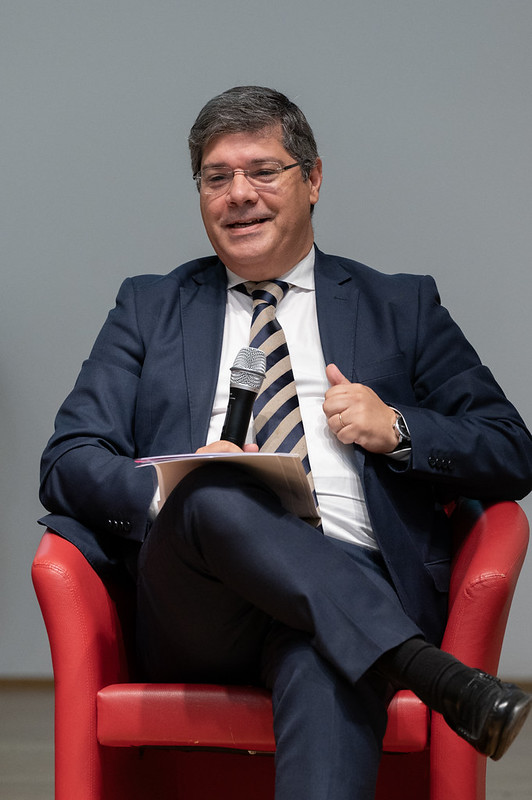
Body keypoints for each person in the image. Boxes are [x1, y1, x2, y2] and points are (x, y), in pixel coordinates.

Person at [40, 86, 532, 799]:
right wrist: (172, 488)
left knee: (328, 657)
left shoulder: (400, 307)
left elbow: (511, 450)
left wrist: (398, 429)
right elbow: (68, 460)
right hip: (198, 601)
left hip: (355, 580)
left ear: (314, 179)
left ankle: (388, 650)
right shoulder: (149, 307)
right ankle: (435, 675)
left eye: (264, 171)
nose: (239, 194)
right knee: (212, 488)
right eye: (217, 177)